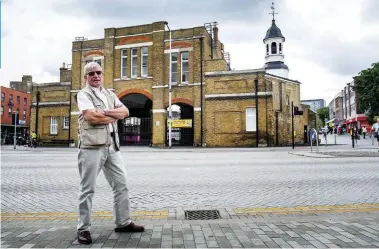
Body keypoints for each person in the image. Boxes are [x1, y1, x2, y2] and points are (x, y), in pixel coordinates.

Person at [76, 62, 144, 244]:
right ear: (86, 77)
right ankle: (83, 229)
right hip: (91, 147)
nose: (96, 76)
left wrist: (105, 111)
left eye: (98, 72)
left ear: (102, 75)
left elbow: (126, 112)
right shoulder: (83, 94)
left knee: (121, 184)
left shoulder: (110, 94)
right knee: (87, 189)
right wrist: (114, 115)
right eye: (91, 74)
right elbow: (91, 117)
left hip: (112, 147)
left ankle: (123, 222)